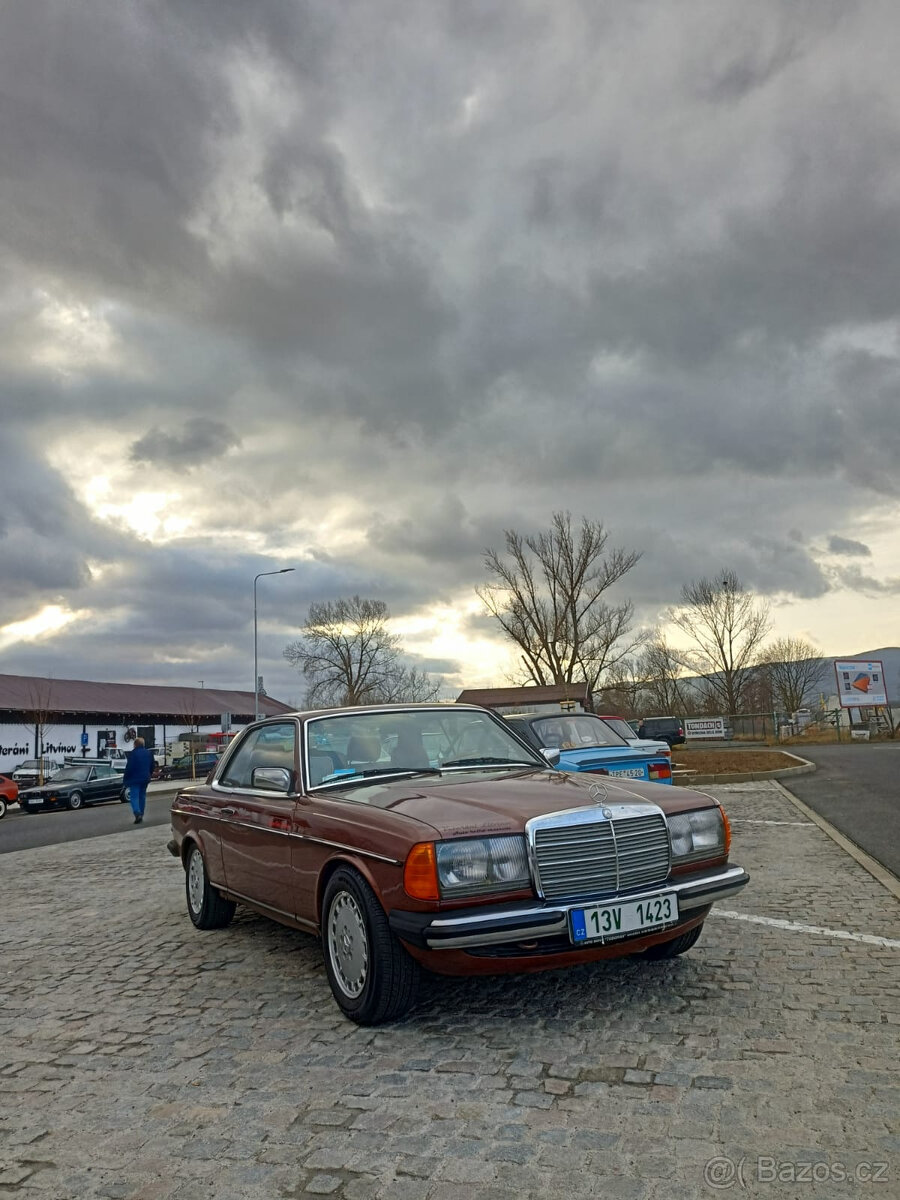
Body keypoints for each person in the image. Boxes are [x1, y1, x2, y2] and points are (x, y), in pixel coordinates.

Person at [122, 737, 156, 824]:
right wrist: (149, 774)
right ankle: (141, 813)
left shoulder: (133, 754)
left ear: (135, 744)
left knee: (134, 796)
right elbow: (152, 765)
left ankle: (137, 813)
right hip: (145, 778)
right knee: (142, 796)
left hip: (134, 778)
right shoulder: (149, 753)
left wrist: (125, 778)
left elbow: (129, 767)